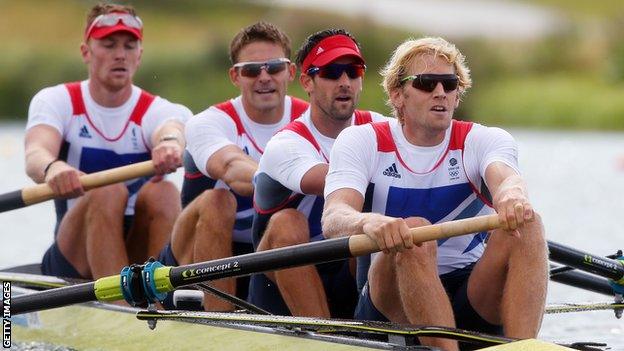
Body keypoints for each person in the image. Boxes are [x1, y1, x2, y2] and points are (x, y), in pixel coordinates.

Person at [322, 37, 548, 349]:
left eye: (449, 83)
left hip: (470, 292)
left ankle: (523, 346)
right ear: (397, 94)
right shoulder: (362, 141)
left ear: (457, 95)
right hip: (390, 301)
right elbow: (334, 216)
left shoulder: (484, 140)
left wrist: (512, 197)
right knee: (414, 231)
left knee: (528, 221)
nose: (440, 92)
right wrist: (370, 223)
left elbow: (507, 179)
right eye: (426, 83)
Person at [25, 4, 191, 280]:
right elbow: (36, 153)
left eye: (129, 46)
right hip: (73, 255)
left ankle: (160, 300)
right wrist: (53, 169)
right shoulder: (58, 100)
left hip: (135, 246)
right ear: (86, 52)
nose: (119, 55)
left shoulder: (157, 110)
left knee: (165, 193)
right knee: (107, 191)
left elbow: (172, 129)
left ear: (139, 56)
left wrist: (170, 144)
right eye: (108, 44)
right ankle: (119, 307)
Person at [157, 22, 308, 311]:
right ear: (235, 76)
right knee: (218, 200)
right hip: (194, 256)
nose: (264, 77)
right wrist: (300, 175)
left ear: (290, 72)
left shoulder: (313, 120)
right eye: (252, 70)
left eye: (274, 67)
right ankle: (219, 322)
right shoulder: (209, 123)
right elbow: (232, 169)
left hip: (269, 249)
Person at [248, 29, 388, 318]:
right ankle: (324, 336)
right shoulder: (286, 144)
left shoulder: (379, 126)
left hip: (348, 269)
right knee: (288, 222)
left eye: (353, 71)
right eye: (332, 73)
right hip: (279, 281)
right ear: (307, 82)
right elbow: (338, 181)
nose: (345, 82)